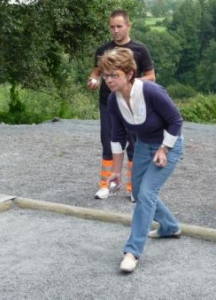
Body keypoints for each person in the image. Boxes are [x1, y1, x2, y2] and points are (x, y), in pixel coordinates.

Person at [97, 47, 183, 273]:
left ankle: (132, 251)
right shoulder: (114, 101)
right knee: (138, 190)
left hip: (169, 144)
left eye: (114, 75)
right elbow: (117, 136)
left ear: (129, 74)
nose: (109, 80)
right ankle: (170, 227)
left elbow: (176, 121)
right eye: (106, 75)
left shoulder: (151, 91)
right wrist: (115, 170)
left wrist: (164, 149)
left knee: (146, 194)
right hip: (144, 145)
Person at [87, 9, 155, 201]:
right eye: (112, 27)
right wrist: (93, 80)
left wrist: (130, 85)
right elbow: (95, 73)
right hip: (108, 104)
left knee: (135, 144)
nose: (115, 31)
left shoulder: (140, 50)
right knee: (109, 142)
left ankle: (133, 188)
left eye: (119, 26)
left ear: (128, 26)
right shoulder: (103, 50)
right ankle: (106, 185)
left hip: (133, 103)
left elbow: (151, 77)